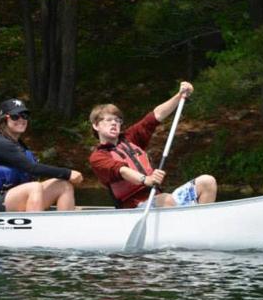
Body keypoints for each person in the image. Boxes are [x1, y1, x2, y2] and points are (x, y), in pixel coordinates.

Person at [89, 81, 217, 209]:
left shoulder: (130, 138)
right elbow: (122, 170)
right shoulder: (98, 157)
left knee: (207, 182)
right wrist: (146, 179)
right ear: (96, 125)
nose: (114, 123)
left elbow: (156, 116)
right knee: (166, 200)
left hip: (158, 198)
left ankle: (199, 224)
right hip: (134, 207)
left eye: (117, 120)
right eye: (109, 120)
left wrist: (179, 96)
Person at [0, 98, 83, 212]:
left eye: (24, 115)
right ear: (4, 120)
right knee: (35, 187)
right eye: (15, 116)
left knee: (64, 185)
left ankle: (65, 224)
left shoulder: (18, 144)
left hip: (14, 196)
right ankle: (37, 227)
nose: (21, 119)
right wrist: (68, 173)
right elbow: (31, 168)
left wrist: (65, 177)